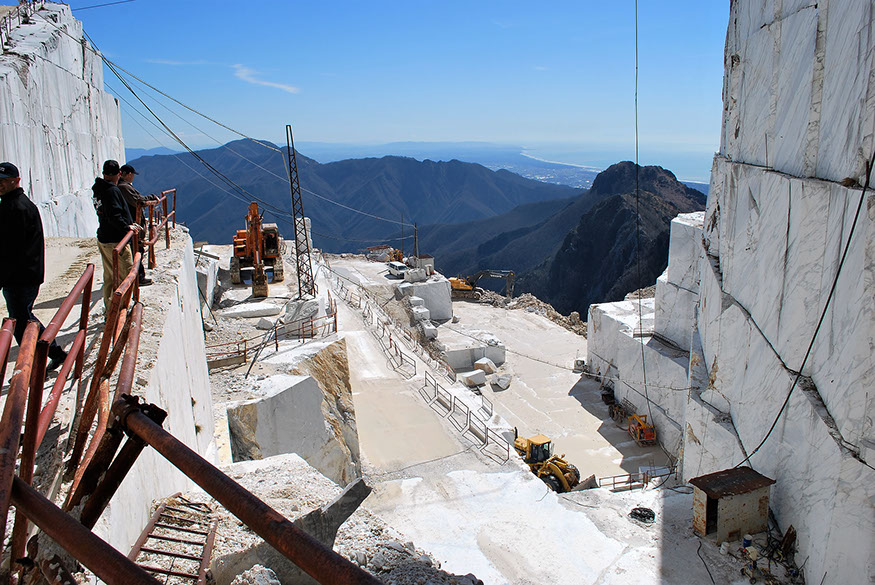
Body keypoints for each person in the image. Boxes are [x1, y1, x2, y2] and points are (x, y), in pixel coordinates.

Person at [0, 162, 68, 371]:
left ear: (16, 181)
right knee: (25, 319)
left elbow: (12, 250)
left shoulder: (16, 207)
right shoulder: (15, 204)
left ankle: (29, 368)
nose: (0, 185)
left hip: (20, 276)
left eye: (4, 181)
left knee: (21, 322)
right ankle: (53, 353)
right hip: (24, 274)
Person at [92, 160, 142, 313]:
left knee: (109, 276)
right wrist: (127, 227)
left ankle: (110, 310)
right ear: (119, 174)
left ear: (104, 173)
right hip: (115, 240)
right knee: (128, 273)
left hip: (104, 238)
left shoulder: (98, 189)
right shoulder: (112, 191)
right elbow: (115, 215)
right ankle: (121, 310)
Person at [117, 164, 154, 286]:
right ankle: (139, 278)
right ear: (128, 174)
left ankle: (138, 276)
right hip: (133, 223)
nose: (133, 177)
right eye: (132, 175)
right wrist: (151, 198)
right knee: (136, 250)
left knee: (137, 250)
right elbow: (139, 201)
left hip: (131, 223)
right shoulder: (124, 187)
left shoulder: (122, 186)